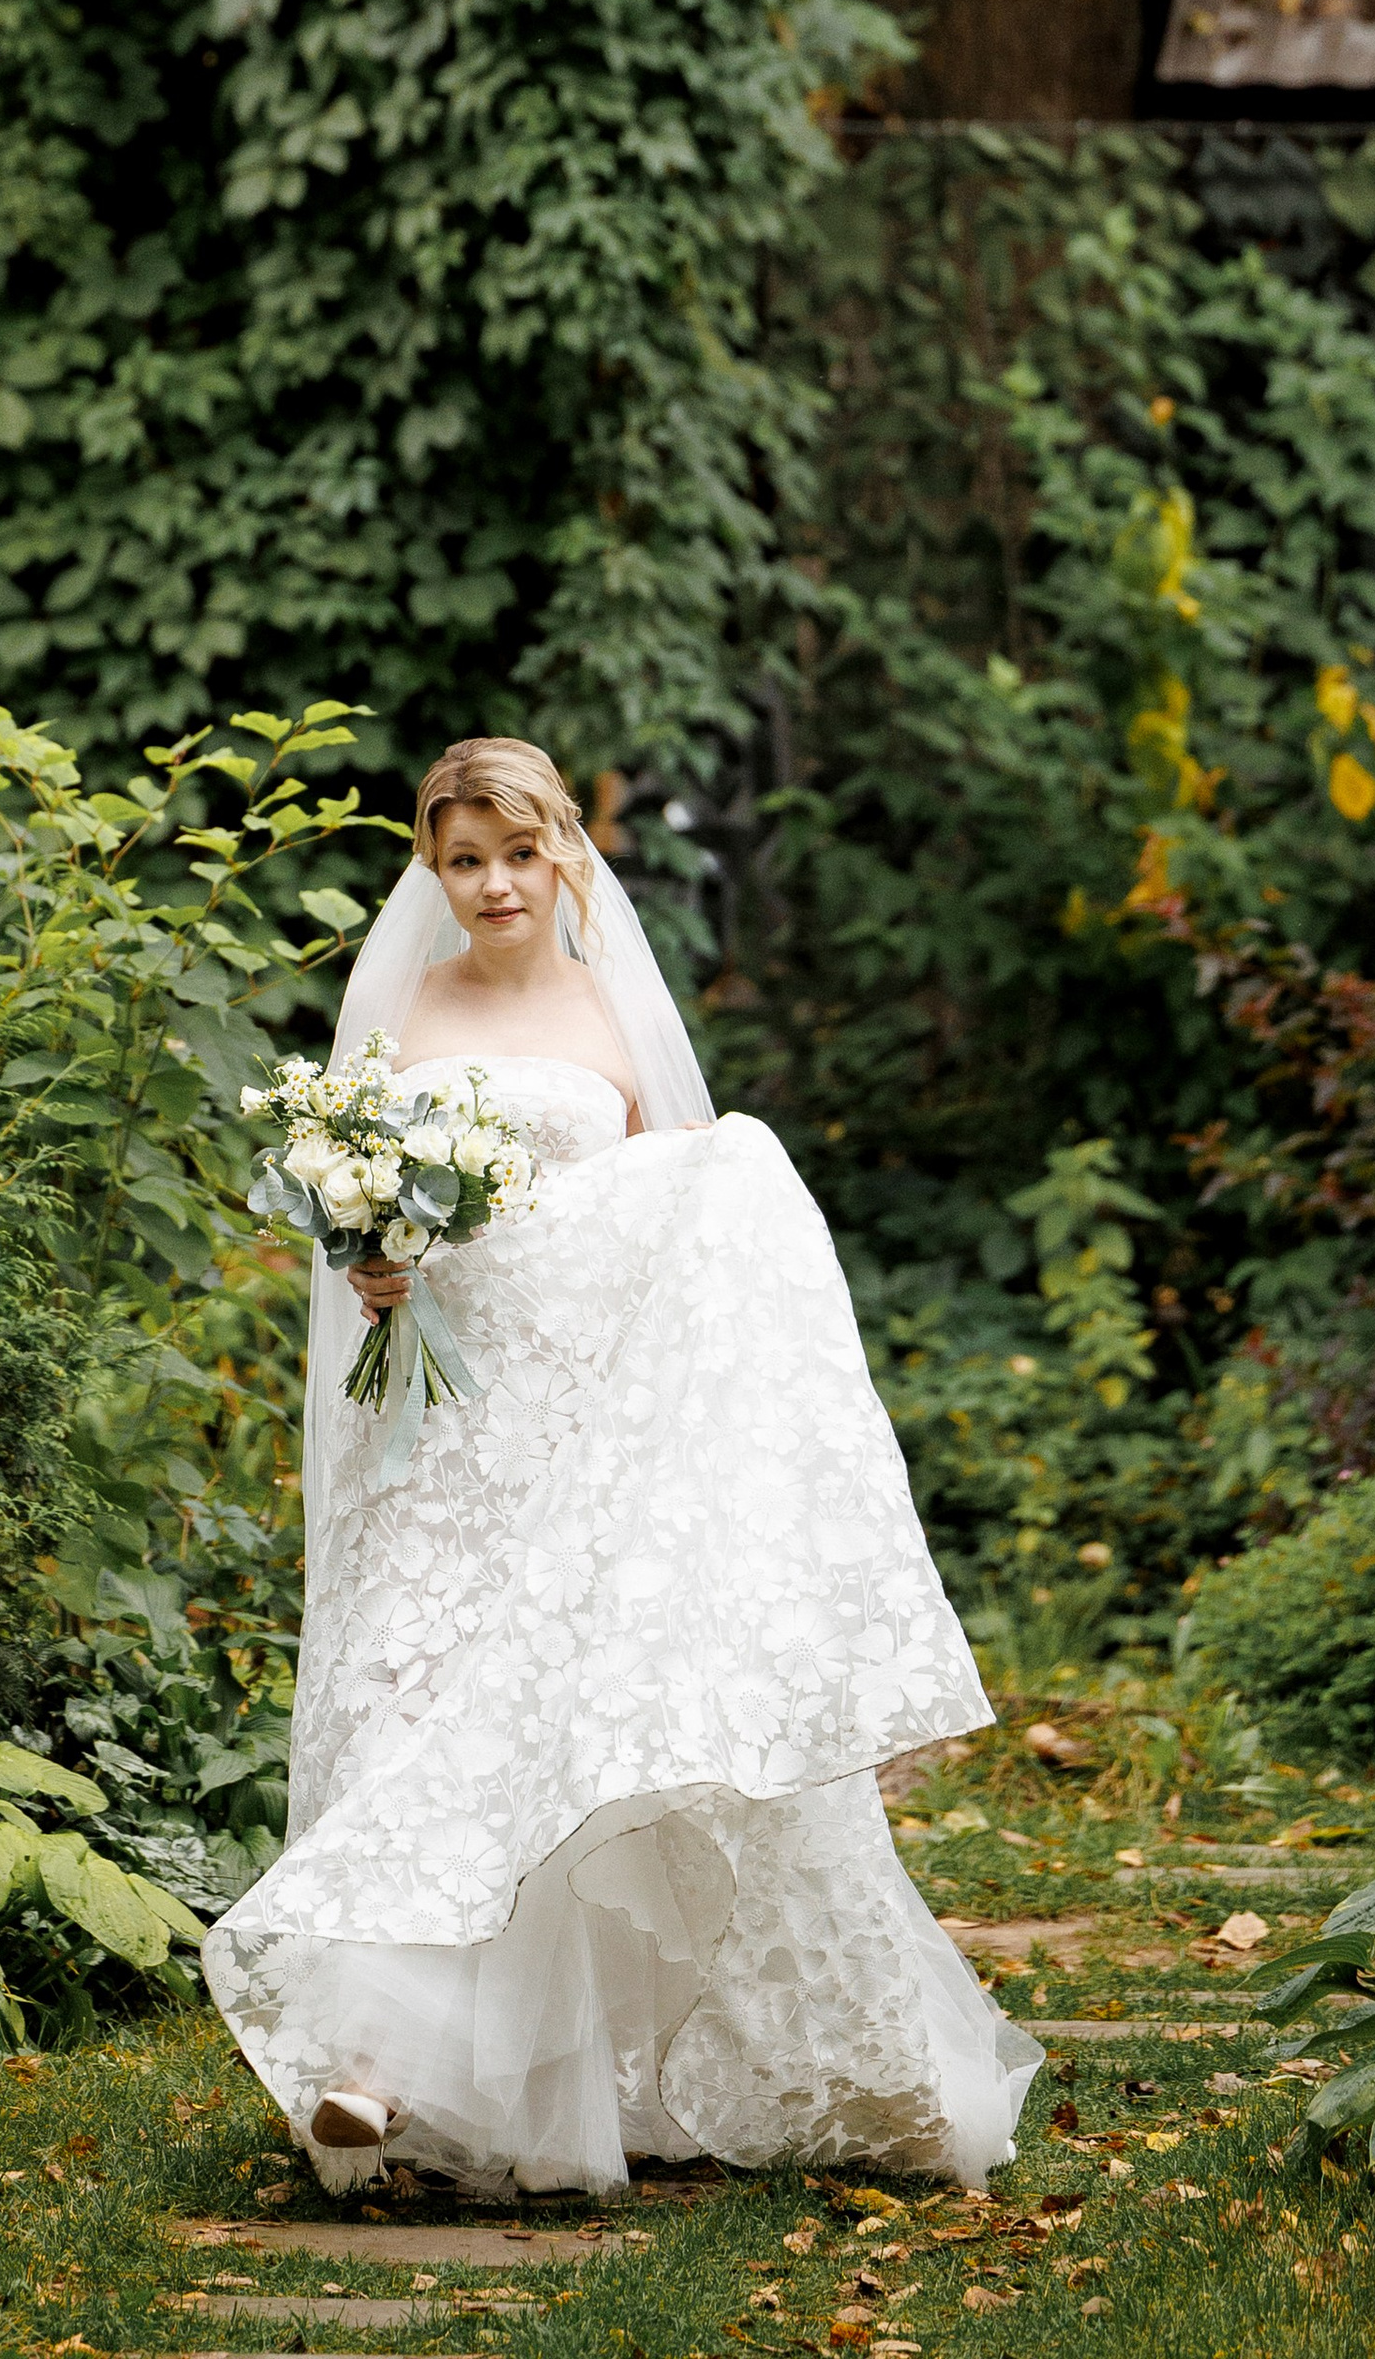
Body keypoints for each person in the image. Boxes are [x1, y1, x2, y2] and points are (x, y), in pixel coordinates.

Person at [200, 735, 1040, 2197]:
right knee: (429, 1715)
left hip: (588, 1439)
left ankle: (845, 2070)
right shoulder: (396, 1006)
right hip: (445, 1440)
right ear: (432, 868)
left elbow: (680, 1233)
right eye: (462, 859)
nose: (492, 884)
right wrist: (373, 1256)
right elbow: (339, 1213)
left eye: (517, 853)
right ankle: (382, 2065)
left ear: (564, 853)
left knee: (576, 1732)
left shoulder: (611, 1012)